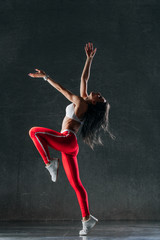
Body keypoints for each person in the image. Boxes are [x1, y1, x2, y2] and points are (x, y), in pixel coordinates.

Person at [28, 42, 113, 236]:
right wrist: (89, 59)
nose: (98, 94)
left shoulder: (82, 104)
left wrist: (46, 77)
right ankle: (87, 219)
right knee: (77, 184)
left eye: (99, 98)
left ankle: (49, 163)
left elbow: (62, 90)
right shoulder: (84, 101)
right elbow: (84, 78)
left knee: (34, 132)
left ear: (94, 103)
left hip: (66, 139)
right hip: (70, 145)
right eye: (100, 95)